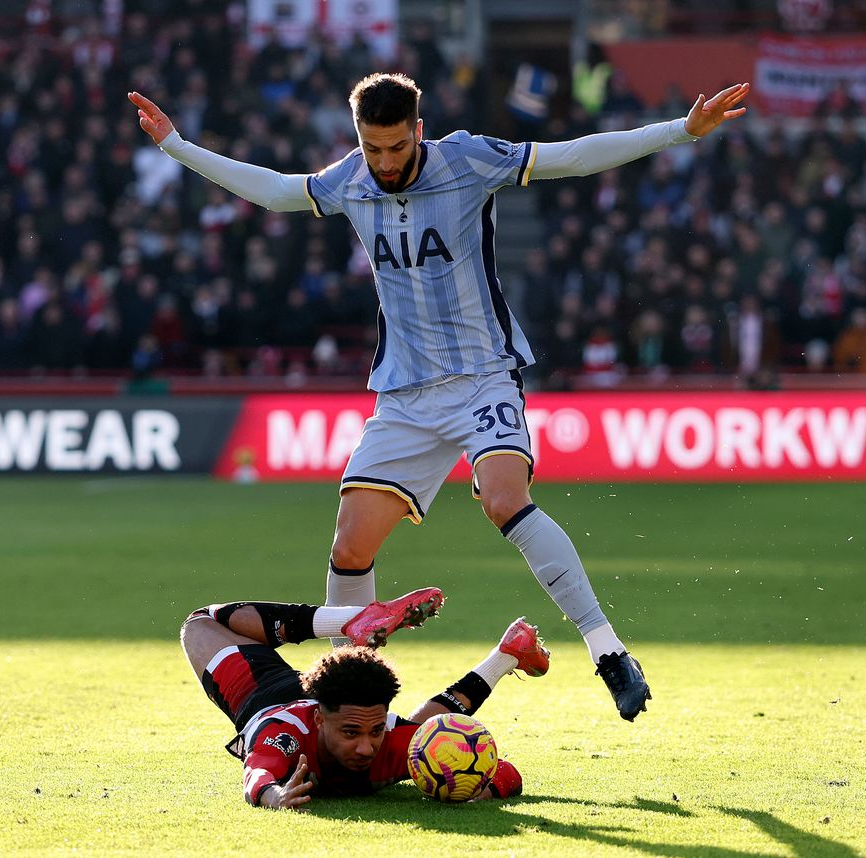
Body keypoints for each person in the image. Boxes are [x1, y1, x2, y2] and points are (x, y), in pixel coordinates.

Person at [130, 74, 750, 723]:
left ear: (418, 132)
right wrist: (177, 146)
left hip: (483, 373)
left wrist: (680, 131)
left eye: (397, 147)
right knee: (350, 546)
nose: (386, 162)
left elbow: (571, 155)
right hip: (403, 394)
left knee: (505, 500)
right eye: (374, 149)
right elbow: (278, 192)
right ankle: (353, 699)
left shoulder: (466, 160)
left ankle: (608, 650)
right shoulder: (351, 179)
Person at [179, 586, 550, 808]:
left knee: (428, 734)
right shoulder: (285, 735)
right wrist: (275, 796)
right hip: (262, 689)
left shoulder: (394, 743)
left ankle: (505, 655)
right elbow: (257, 774)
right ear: (321, 721)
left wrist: (481, 790)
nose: (365, 748)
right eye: (351, 733)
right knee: (200, 622)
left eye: (375, 731)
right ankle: (350, 620)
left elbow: (504, 771)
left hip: (323, 697)